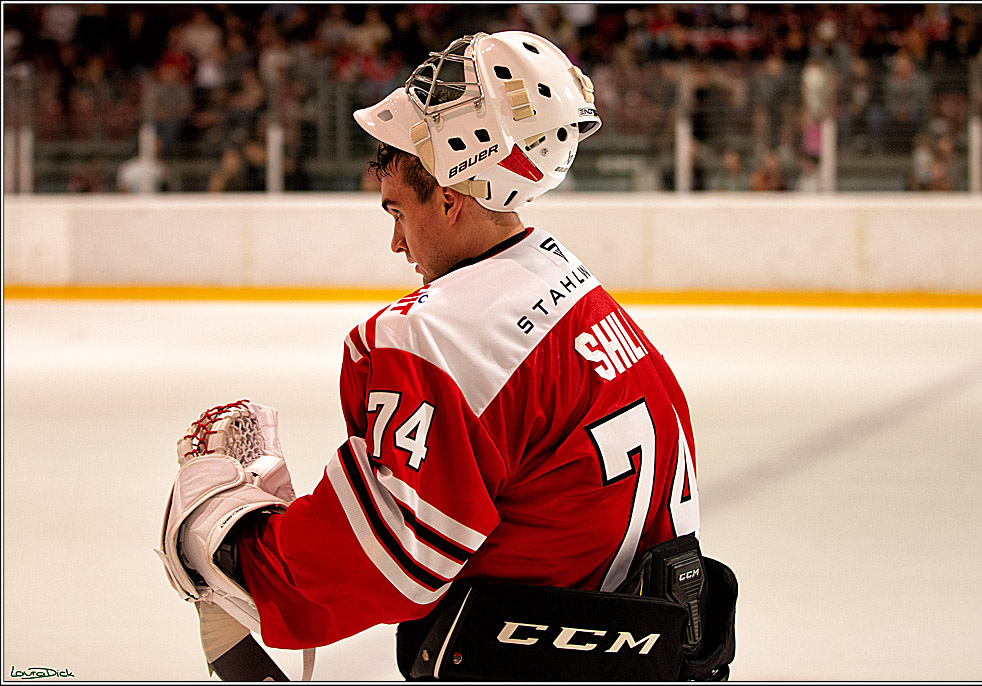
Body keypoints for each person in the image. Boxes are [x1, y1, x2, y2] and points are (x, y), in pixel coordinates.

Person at [159, 31, 736, 682]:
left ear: (449, 198)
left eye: (398, 211)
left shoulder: (438, 337)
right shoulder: (581, 295)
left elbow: (378, 566)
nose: (396, 244)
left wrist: (227, 537)